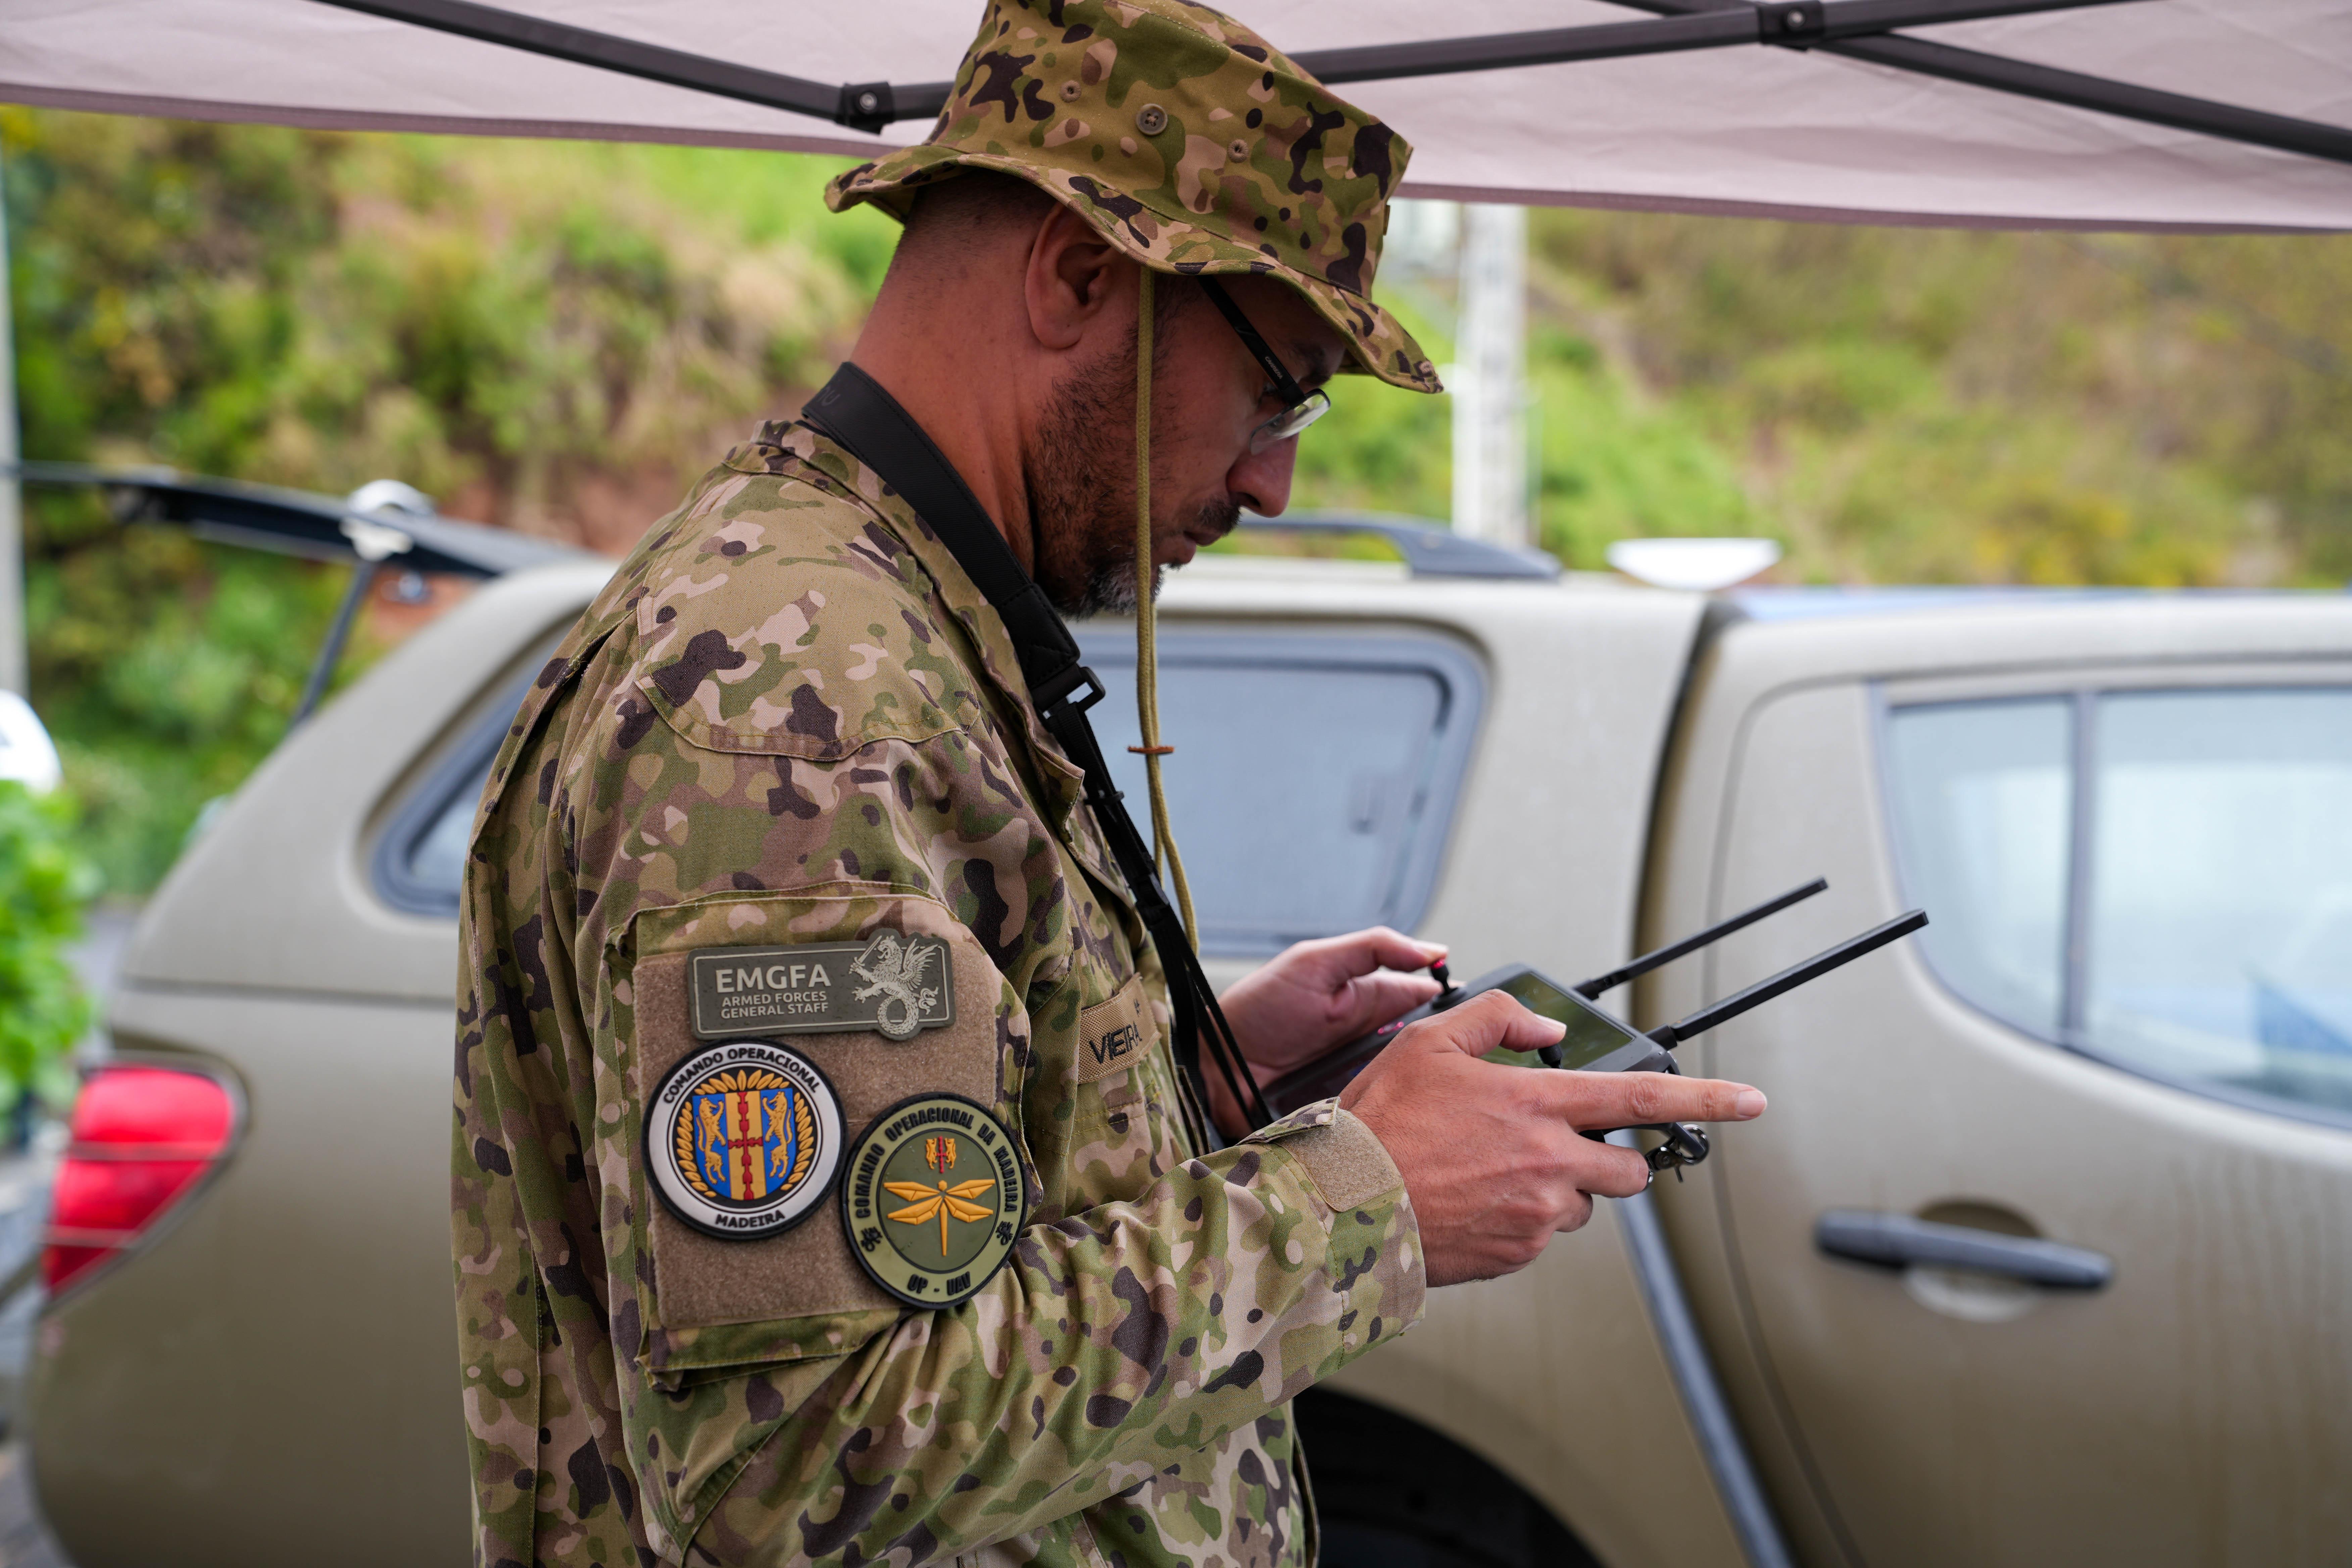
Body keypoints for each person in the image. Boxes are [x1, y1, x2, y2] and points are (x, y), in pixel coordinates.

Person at [451, 2, 1767, 1564]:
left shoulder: (881, 617)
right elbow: (801, 1466)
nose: (1275, 481)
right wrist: (1362, 1199)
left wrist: (1172, 1087)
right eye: (1277, 387)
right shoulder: (796, 706)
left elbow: (919, 1236)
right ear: (1083, 273)